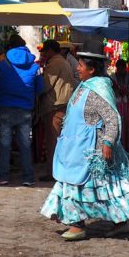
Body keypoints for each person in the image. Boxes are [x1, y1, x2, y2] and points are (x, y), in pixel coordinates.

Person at [40, 52, 129, 241]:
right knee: (100, 187)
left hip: (91, 151)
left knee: (86, 186)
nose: (77, 68)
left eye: (81, 65)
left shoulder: (98, 90)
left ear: (91, 70)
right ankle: (120, 223)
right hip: (77, 148)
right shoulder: (84, 86)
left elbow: (112, 119)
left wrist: (107, 143)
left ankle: (77, 225)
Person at [0, 34, 42, 186]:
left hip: (6, 109)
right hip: (26, 110)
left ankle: (2, 176)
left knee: (5, 143)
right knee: (25, 144)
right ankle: (28, 177)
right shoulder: (35, 67)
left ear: (9, 48)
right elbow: (40, 89)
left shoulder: (0, 66)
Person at [38, 39, 76, 182]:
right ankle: (61, 171)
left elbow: (45, 86)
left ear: (50, 51)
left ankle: (53, 172)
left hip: (55, 106)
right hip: (63, 105)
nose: (43, 55)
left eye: (44, 52)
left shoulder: (55, 64)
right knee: (61, 140)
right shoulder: (63, 62)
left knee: (53, 140)